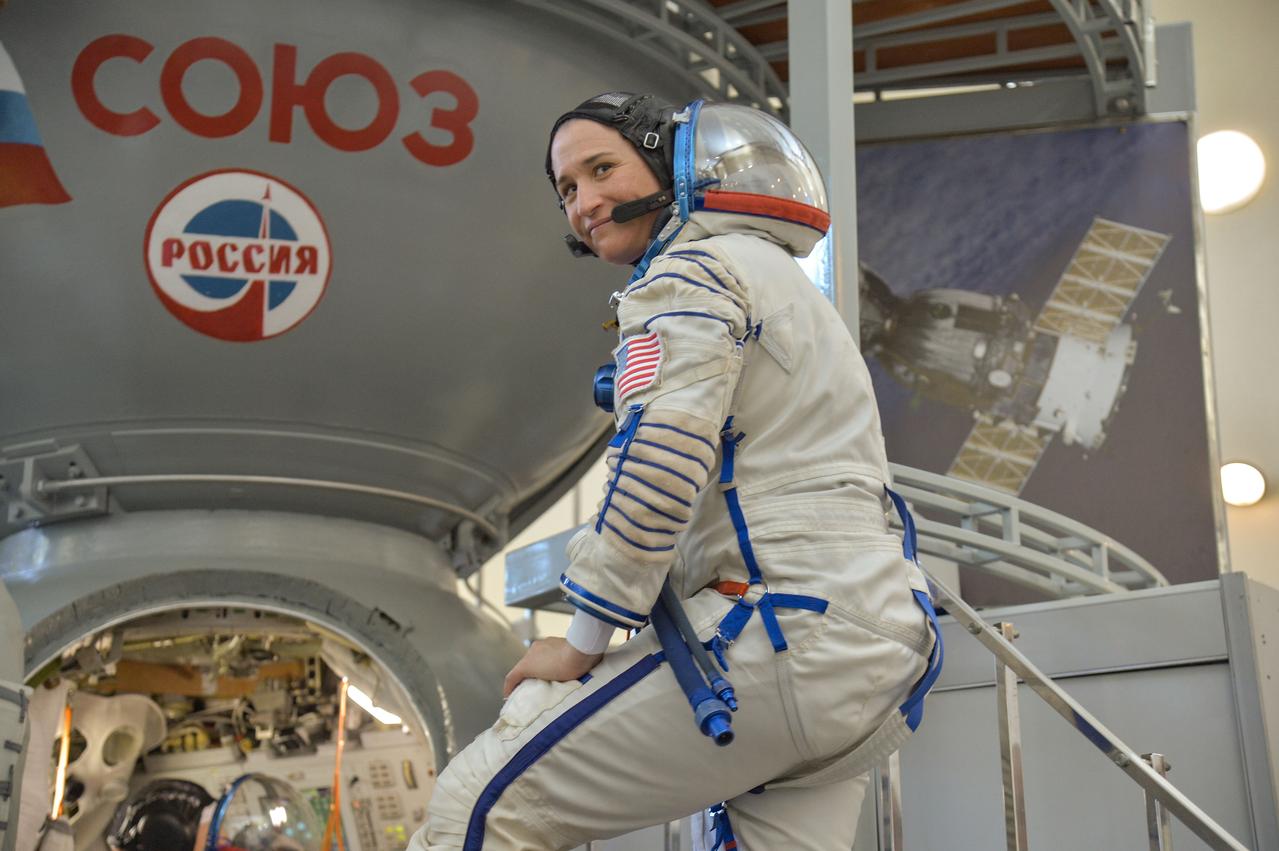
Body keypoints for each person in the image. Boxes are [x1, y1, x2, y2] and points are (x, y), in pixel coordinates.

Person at [409, 92, 940, 851]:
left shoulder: (692, 274)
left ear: (673, 167)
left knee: (477, 806)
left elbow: (659, 463)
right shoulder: (772, 276)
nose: (584, 202)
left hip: (789, 624)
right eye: (567, 189)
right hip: (877, 642)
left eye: (602, 169)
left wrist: (581, 641)